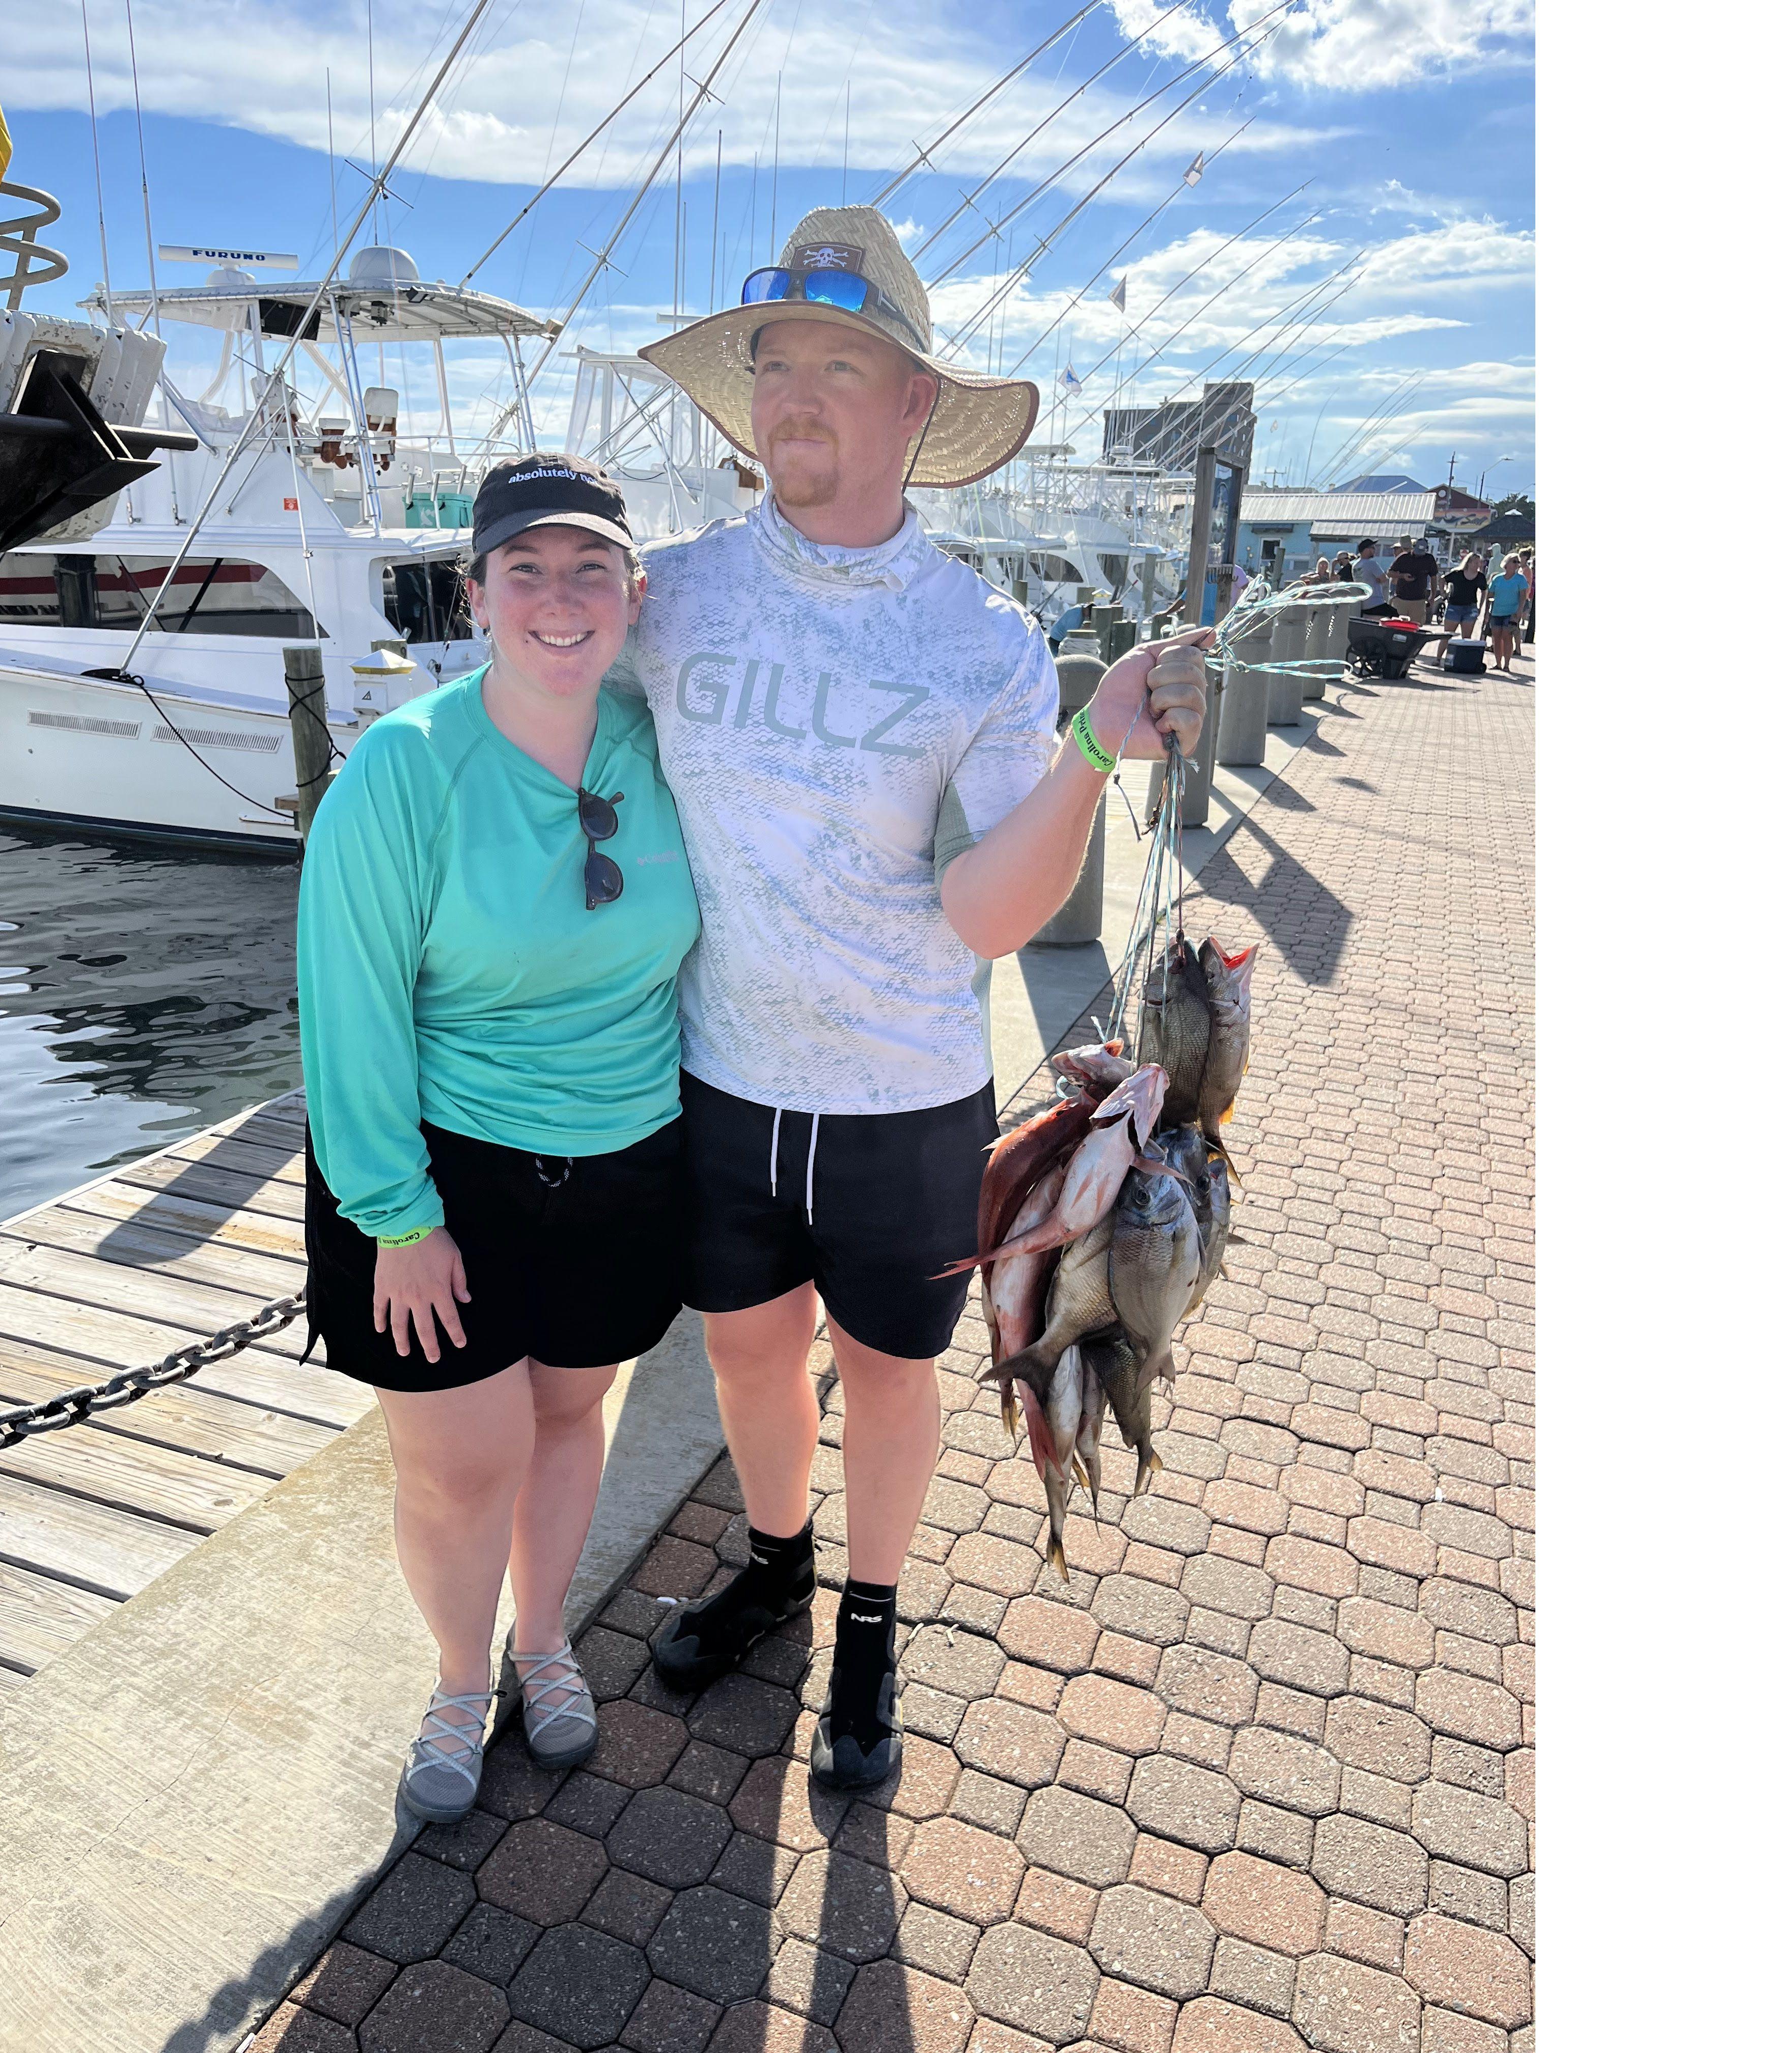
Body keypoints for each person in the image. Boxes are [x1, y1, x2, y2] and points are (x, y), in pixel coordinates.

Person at [624, 207, 1208, 1790]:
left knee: (888, 1373)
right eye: (772, 364)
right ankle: (777, 1559)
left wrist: (1091, 753)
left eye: (838, 363)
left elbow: (983, 911)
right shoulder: (663, 598)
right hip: (721, 1081)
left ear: (910, 411)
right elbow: (539, 746)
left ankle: (869, 1626)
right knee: (747, 1358)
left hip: (904, 1099)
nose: (795, 393)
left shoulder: (983, 641)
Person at [295, 454, 702, 1824]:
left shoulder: (667, 752)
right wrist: (396, 1219)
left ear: (634, 595)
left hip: (629, 1155)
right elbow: (347, 1006)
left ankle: (547, 1642)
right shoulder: (404, 769)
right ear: (476, 597)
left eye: (592, 568)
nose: (560, 597)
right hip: (443, 1170)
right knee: (461, 1461)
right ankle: (463, 1679)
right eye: (524, 569)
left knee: (570, 1412)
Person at [1486, 552, 1529, 672]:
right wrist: (1486, 614)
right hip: (1496, 613)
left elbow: (1523, 597)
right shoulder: (1497, 579)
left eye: (1518, 562)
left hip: (1511, 614)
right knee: (1496, 638)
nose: (1517, 564)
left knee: (1507, 637)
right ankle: (1498, 664)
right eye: (1514, 561)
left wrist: (1519, 612)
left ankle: (1507, 665)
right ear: (1507, 563)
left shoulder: (1520, 579)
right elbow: (1490, 596)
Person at [1441, 550, 1487, 651]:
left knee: (1467, 638)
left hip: (1470, 608)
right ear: (1469, 563)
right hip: (1454, 607)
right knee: (1447, 635)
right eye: (1476, 563)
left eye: (1479, 563)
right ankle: (1438, 659)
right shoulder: (1458, 574)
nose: (1478, 565)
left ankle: (1463, 660)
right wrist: (1443, 592)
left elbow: (1484, 591)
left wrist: (1480, 606)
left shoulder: (1480, 577)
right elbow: (1443, 580)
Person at [1387, 533, 1439, 620]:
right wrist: (1402, 576)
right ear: (1414, 547)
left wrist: (1432, 596)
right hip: (1401, 599)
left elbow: (1434, 578)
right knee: (1398, 624)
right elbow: (1389, 573)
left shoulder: (1429, 559)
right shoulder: (1404, 558)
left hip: (1419, 600)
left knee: (1416, 625)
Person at [1353, 538, 1394, 615]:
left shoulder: (1355, 565)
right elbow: (1384, 579)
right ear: (1366, 550)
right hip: (1376, 603)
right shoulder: (1371, 564)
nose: (1375, 550)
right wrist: (1378, 579)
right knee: (1397, 616)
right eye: (1373, 548)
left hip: (1363, 605)